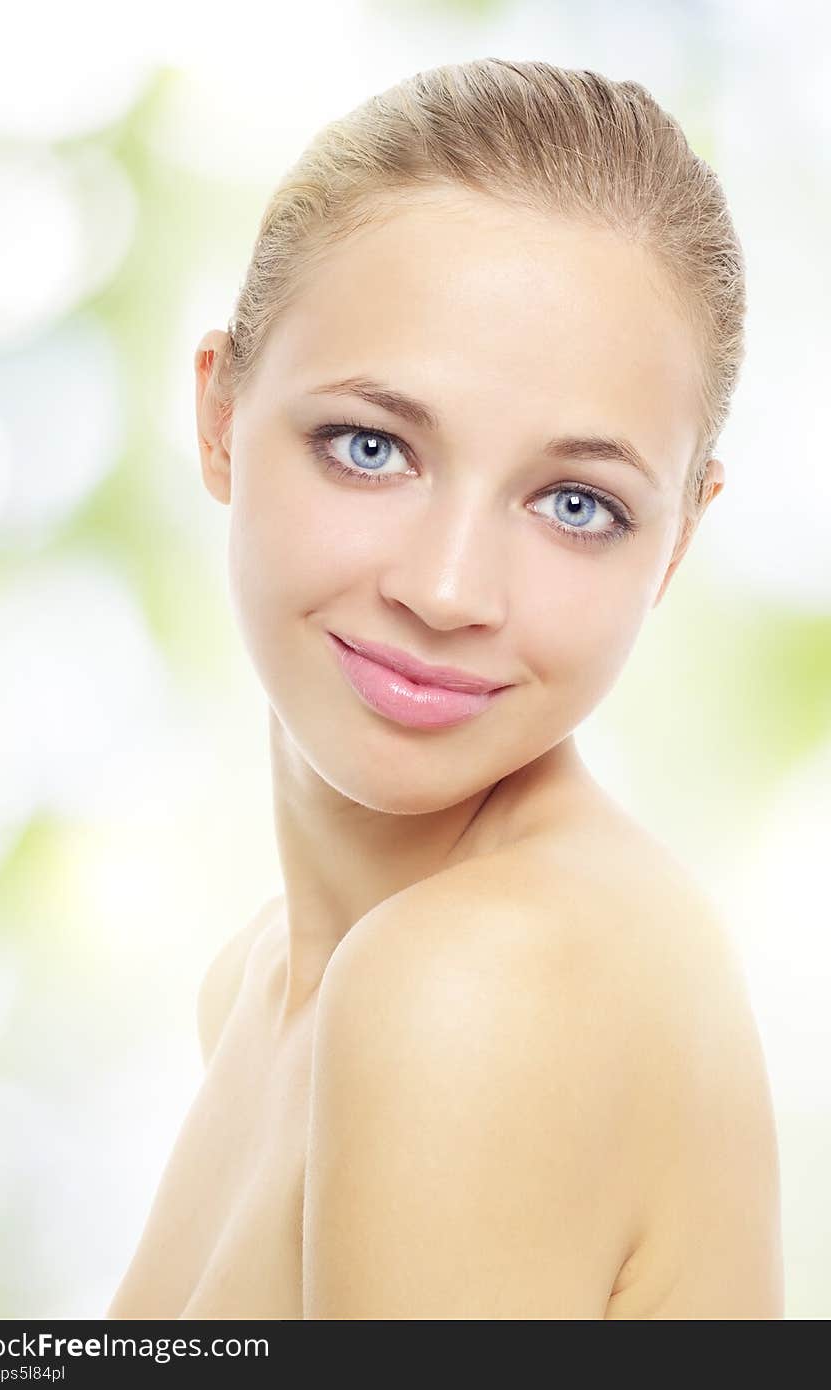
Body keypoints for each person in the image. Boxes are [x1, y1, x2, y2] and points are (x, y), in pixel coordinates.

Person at [106, 58, 783, 1320]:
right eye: (372, 447)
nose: (449, 587)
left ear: (676, 545)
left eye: (576, 504)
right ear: (217, 414)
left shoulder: (480, 983)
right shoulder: (260, 989)